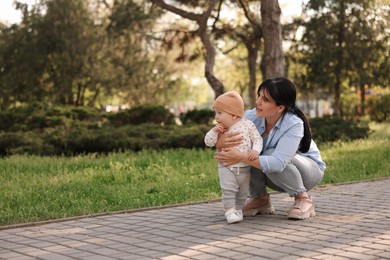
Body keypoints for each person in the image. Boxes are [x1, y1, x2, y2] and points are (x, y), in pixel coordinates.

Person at [214, 77, 326, 220]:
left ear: (280, 107)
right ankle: (261, 199)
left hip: (308, 172)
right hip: (276, 175)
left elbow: (279, 162)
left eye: (265, 100)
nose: (258, 102)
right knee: (251, 152)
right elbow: (223, 138)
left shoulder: (294, 124)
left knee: (265, 154)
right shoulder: (250, 117)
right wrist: (221, 141)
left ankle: (303, 198)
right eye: (259, 96)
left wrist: (241, 157)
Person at [205, 91, 263, 224]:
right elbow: (208, 142)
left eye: (220, 113)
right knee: (228, 190)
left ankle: (238, 209)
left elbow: (257, 139)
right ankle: (229, 211)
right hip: (226, 166)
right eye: (215, 113)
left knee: (243, 192)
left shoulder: (248, 125)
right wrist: (214, 132)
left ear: (234, 115)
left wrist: (255, 150)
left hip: (244, 168)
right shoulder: (220, 129)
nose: (216, 117)